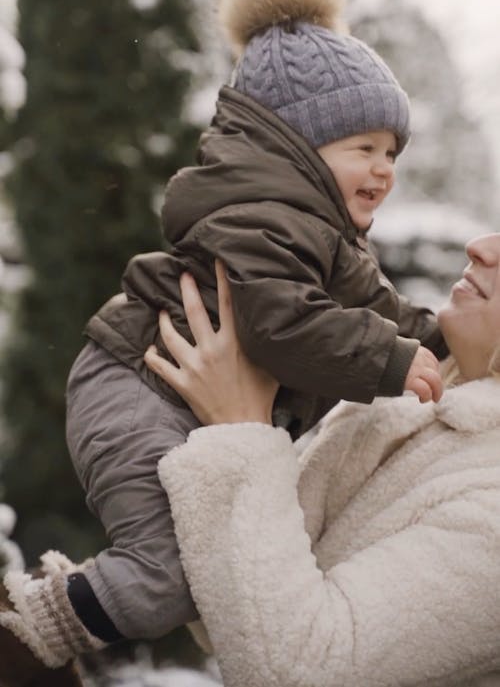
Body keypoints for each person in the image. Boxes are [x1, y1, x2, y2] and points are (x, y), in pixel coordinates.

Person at [0, 0, 447, 682]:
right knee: (169, 579)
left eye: (392, 151)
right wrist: (391, 360)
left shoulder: (323, 235)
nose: (385, 167)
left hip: (173, 396)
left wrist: (440, 339)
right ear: (296, 148)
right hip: (139, 388)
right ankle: (27, 628)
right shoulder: (264, 219)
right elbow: (281, 324)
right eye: (363, 147)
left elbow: (381, 309)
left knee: (200, 570)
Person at [148, 237, 500, 687]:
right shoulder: (408, 407)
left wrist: (237, 424)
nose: (479, 248)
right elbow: (226, 610)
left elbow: (298, 671)